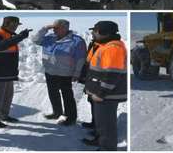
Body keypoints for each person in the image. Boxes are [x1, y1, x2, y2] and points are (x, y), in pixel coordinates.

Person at [32, 19, 86, 126]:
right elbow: (35, 40)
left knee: (67, 96)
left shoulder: (77, 41)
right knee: (53, 93)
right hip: (50, 71)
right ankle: (57, 112)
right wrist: (45, 29)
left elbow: (80, 59)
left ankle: (71, 117)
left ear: (65, 28)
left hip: (65, 73)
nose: (54, 29)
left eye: (57, 27)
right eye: (53, 27)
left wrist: (77, 73)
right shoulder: (49, 38)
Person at [84, 21, 127, 151]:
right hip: (103, 94)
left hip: (106, 95)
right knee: (102, 124)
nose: (92, 33)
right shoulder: (106, 45)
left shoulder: (113, 48)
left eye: (95, 31)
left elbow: (112, 74)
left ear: (104, 33)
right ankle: (101, 142)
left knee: (107, 125)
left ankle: (107, 148)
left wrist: (100, 93)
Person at [0, 16, 30, 128]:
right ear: (6, 24)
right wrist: (20, 36)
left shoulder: (9, 35)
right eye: (13, 25)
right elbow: (0, 46)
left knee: (8, 95)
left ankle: (4, 115)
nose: (15, 27)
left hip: (7, 73)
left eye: (17, 25)